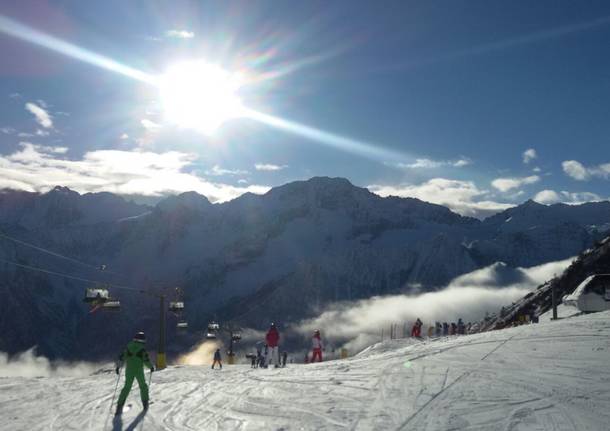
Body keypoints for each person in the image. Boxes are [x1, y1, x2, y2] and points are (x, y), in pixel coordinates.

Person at [115, 331, 154, 416]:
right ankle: (145, 404)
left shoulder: (128, 347)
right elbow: (146, 360)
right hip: (138, 370)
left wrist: (118, 367)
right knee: (143, 386)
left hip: (129, 370)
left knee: (127, 387)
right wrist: (151, 367)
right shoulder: (142, 349)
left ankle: (119, 405)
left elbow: (122, 357)